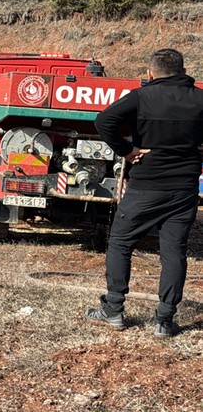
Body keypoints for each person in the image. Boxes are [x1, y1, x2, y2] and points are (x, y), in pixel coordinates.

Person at [86, 48, 203, 338]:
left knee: (121, 243)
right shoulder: (201, 99)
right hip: (184, 188)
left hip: (146, 186)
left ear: (150, 73)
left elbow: (104, 122)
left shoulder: (142, 96)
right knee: (174, 252)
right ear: (183, 70)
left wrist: (128, 151)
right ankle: (164, 319)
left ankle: (113, 309)